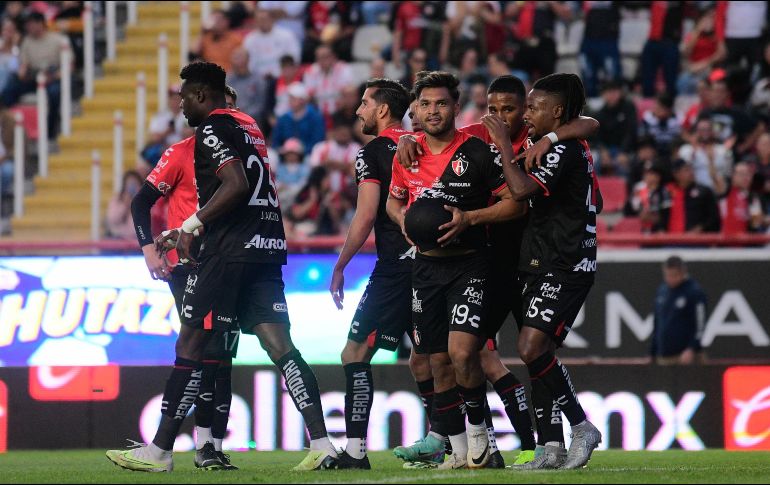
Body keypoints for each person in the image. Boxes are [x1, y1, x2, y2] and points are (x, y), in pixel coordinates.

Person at [106, 61, 337, 472]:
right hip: (265, 248)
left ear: (200, 96)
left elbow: (236, 185)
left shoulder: (211, 127)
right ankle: (321, 443)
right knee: (280, 348)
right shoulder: (249, 124)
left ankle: (160, 451)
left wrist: (191, 226)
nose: (180, 108)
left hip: (225, 253)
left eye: (183, 99)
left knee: (192, 346)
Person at [395, 74, 600, 468]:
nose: (500, 116)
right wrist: (409, 136)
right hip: (495, 263)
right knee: (457, 352)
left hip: (539, 263)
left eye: (511, 108)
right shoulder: (482, 134)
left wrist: (548, 140)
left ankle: (547, 444)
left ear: (527, 110)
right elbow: (435, 133)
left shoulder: (548, 141)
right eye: (493, 108)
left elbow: (587, 124)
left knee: (533, 352)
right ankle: (461, 438)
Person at [387, 71, 524, 470]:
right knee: (434, 361)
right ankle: (459, 450)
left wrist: (470, 218)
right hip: (425, 270)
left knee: (463, 353)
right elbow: (394, 203)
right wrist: (407, 224)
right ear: (414, 109)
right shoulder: (406, 154)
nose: (433, 111)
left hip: (470, 265)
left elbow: (515, 204)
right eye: (426, 104)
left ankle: (484, 439)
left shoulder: (478, 153)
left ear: (456, 107)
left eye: (442, 103)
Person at [127, 87, 241, 471]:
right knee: (205, 350)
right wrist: (147, 250)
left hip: (231, 262)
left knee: (222, 354)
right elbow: (141, 202)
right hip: (190, 265)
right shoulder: (180, 153)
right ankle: (197, 447)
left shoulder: (243, 156)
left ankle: (209, 446)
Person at [491, 73, 602, 469]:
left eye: (535, 107)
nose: (528, 114)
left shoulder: (562, 149)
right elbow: (597, 201)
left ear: (557, 112)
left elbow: (521, 192)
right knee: (540, 356)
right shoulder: (571, 144)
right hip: (546, 261)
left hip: (564, 263)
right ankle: (550, 446)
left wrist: (506, 147)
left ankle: (582, 426)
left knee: (530, 348)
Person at [327, 78, 414, 469]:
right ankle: (466, 444)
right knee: (437, 358)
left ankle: (356, 451)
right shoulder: (424, 145)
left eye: (364, 103)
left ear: (382, 110)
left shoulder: (374, 151)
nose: (358, 110)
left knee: (355, 353)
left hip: (397, 267)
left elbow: (365, 215)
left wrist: (341, 265)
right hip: (436, 264)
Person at [650, 256, 707, 365]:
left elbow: (700, 324)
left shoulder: (694, 292)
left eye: (674, 275)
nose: (670, 279)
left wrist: (691, 348)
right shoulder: (662, 291)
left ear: (683, 273)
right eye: (667, 275)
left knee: (691, 382)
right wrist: (652, 351)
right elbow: (657, 323)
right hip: (664, 357)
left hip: (686, 357)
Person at [666, 158, 721, 234]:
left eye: (691, 169)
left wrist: (701, 228)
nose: (691, 172)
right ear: (676, 174)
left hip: (697, 240)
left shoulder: (704, 191)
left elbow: (714, 217)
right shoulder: (668, 191)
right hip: (671, 239)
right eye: (686, 170)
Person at [105, 170, 143, 240]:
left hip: (137, 240)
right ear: (124, 185)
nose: (132, 187)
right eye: (130, 184)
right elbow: (112, 219)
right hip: (118, 239)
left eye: (135, 184)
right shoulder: (117, 199)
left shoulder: (144, 201)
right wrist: (124, 206)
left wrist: (136, 204)